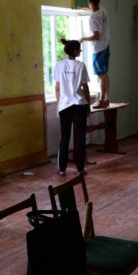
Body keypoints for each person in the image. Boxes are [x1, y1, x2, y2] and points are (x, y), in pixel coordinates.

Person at [55, 39, 92, 176]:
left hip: (64, 105)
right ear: (75, 51)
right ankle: (80, 169)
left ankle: (62, 169)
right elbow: (85, 88)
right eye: (79, 49)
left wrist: (59, 104)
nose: (80, 51)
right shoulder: (80, 66)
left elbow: (57, 88)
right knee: (80, 137)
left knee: (64, 137)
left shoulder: (59, 65)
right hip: (79, 105)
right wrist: (88, 104)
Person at [80, 0, 110, 109]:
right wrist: (84, 8)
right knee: (105, 74)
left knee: (101, 75)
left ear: (89, 1)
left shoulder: (93, 18)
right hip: (106, 46)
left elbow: (95, 37)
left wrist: (83, 39)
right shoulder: (103, 9)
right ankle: (106, 99)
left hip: (98, 49)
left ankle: (101, 100)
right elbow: (94, 8)